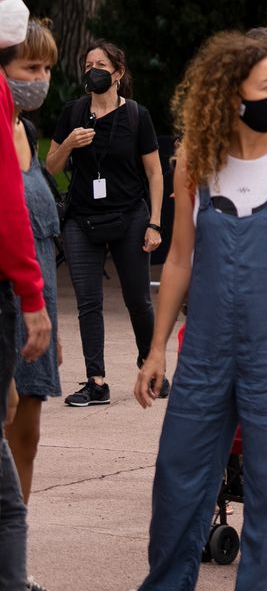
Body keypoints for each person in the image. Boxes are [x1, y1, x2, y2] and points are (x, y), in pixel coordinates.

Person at [135, 31, 267, 589]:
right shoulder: (194, 166)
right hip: (203, 351)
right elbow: (178, 261)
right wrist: (156, 350)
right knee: (177, 482)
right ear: (230, 95)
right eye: (264, 85)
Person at [46, 40, 163, 407]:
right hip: (82, 218)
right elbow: (50, 166)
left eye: (100, 64)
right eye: (87, 64)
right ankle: (96, 381)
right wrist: (69, 144)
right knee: (88, 301)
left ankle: (151, 366)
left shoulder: (137, 116)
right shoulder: (73, 112)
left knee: (138, 299)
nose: (92, 70)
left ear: (118, 73)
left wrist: (155, 223)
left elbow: (155, 172)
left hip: (130, 216)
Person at [0, 0, 52, 591]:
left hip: (19, 304)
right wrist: (32, 294)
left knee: (23, 428)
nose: (13, 0)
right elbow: (10, 213)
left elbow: (33, 211)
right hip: (17, 296)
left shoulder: (24, 128)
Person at [2, 21, 64, 507]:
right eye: (31, 66)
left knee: (27, 440)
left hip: (36, 314)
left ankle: (13, 563)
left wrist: (51, 323)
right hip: (7, 308)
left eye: (47, 67)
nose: (40, 77)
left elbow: (41, 239)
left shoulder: (29, 131)